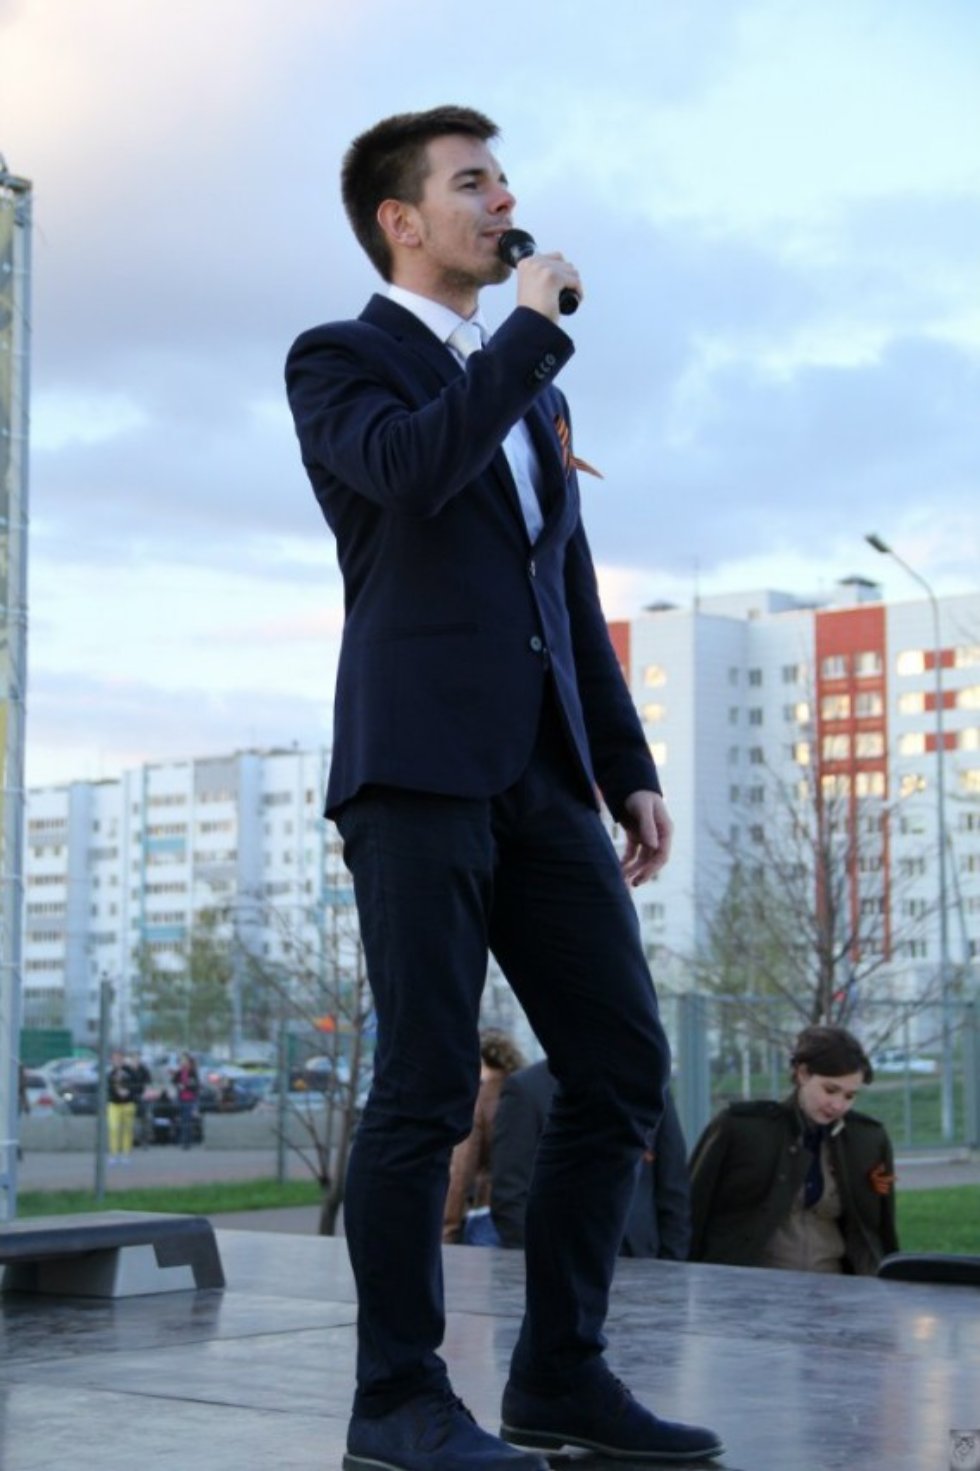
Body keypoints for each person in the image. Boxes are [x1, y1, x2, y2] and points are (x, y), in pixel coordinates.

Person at [285, 105, 723, 1471]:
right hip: (415, 767)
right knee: (424, 1083)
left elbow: (564, 591)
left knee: (624, 1064)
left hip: (542, 774)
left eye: (504, 178)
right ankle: (398, 1399)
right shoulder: (340, 359)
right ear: (400, 220)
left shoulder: (532, 386)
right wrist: (530, 326)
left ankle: (561, 1373)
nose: (504, 198)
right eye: (471, 182)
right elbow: (414, 475)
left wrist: (627, 763)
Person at [689, 1024, 899, 1275]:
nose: (838, 1105)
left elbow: (879, 1231)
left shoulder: (867, 1139)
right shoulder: (741, 1128)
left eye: (849, 1096)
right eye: (830, 1090)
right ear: (802, 1074)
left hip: (838, 1293)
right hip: (747, 1290)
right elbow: (691, 1208)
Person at [492, 1061, 691, 1260]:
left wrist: (671, 1262)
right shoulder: (527, 1089)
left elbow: (673, 1186)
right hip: (563, 1265)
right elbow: (511, 1195)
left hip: (644, 1260)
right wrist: (542, 1269)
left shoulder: (649, 1083)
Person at [443, 1030, 525, 1246]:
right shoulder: (525, 1091)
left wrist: (448, 1228)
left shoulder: (479, 1096)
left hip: (487, 1214)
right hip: (527, 1213)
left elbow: (462, 1169)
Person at [106, 1050, 137, 1164]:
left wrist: (128, 1092)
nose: (117, 1061)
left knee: (127, 1130)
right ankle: (114, 1154)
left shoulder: (130, 1072)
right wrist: (116, 1092)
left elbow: (136, 1086)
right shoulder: (111, 1073)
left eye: (119, 1058)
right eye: (115, 1059)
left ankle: (126, 1154)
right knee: (113, 1128)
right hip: (114, 1104)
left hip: (128, 1104)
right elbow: (108, 1088)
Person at [171, 1052, 200, 1151]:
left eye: (185, 1060)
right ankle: (183, 1140)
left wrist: (186, 1086)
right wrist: (178, 1085)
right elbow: (174, 1081)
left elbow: (196, 1086)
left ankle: (187, 1142)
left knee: (188, 1120)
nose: (183, 1062)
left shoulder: (193, 1072)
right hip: (181, 1098)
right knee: (182, 1120)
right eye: (182, 1060)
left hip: (190, 1099)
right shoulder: (179, 1072)